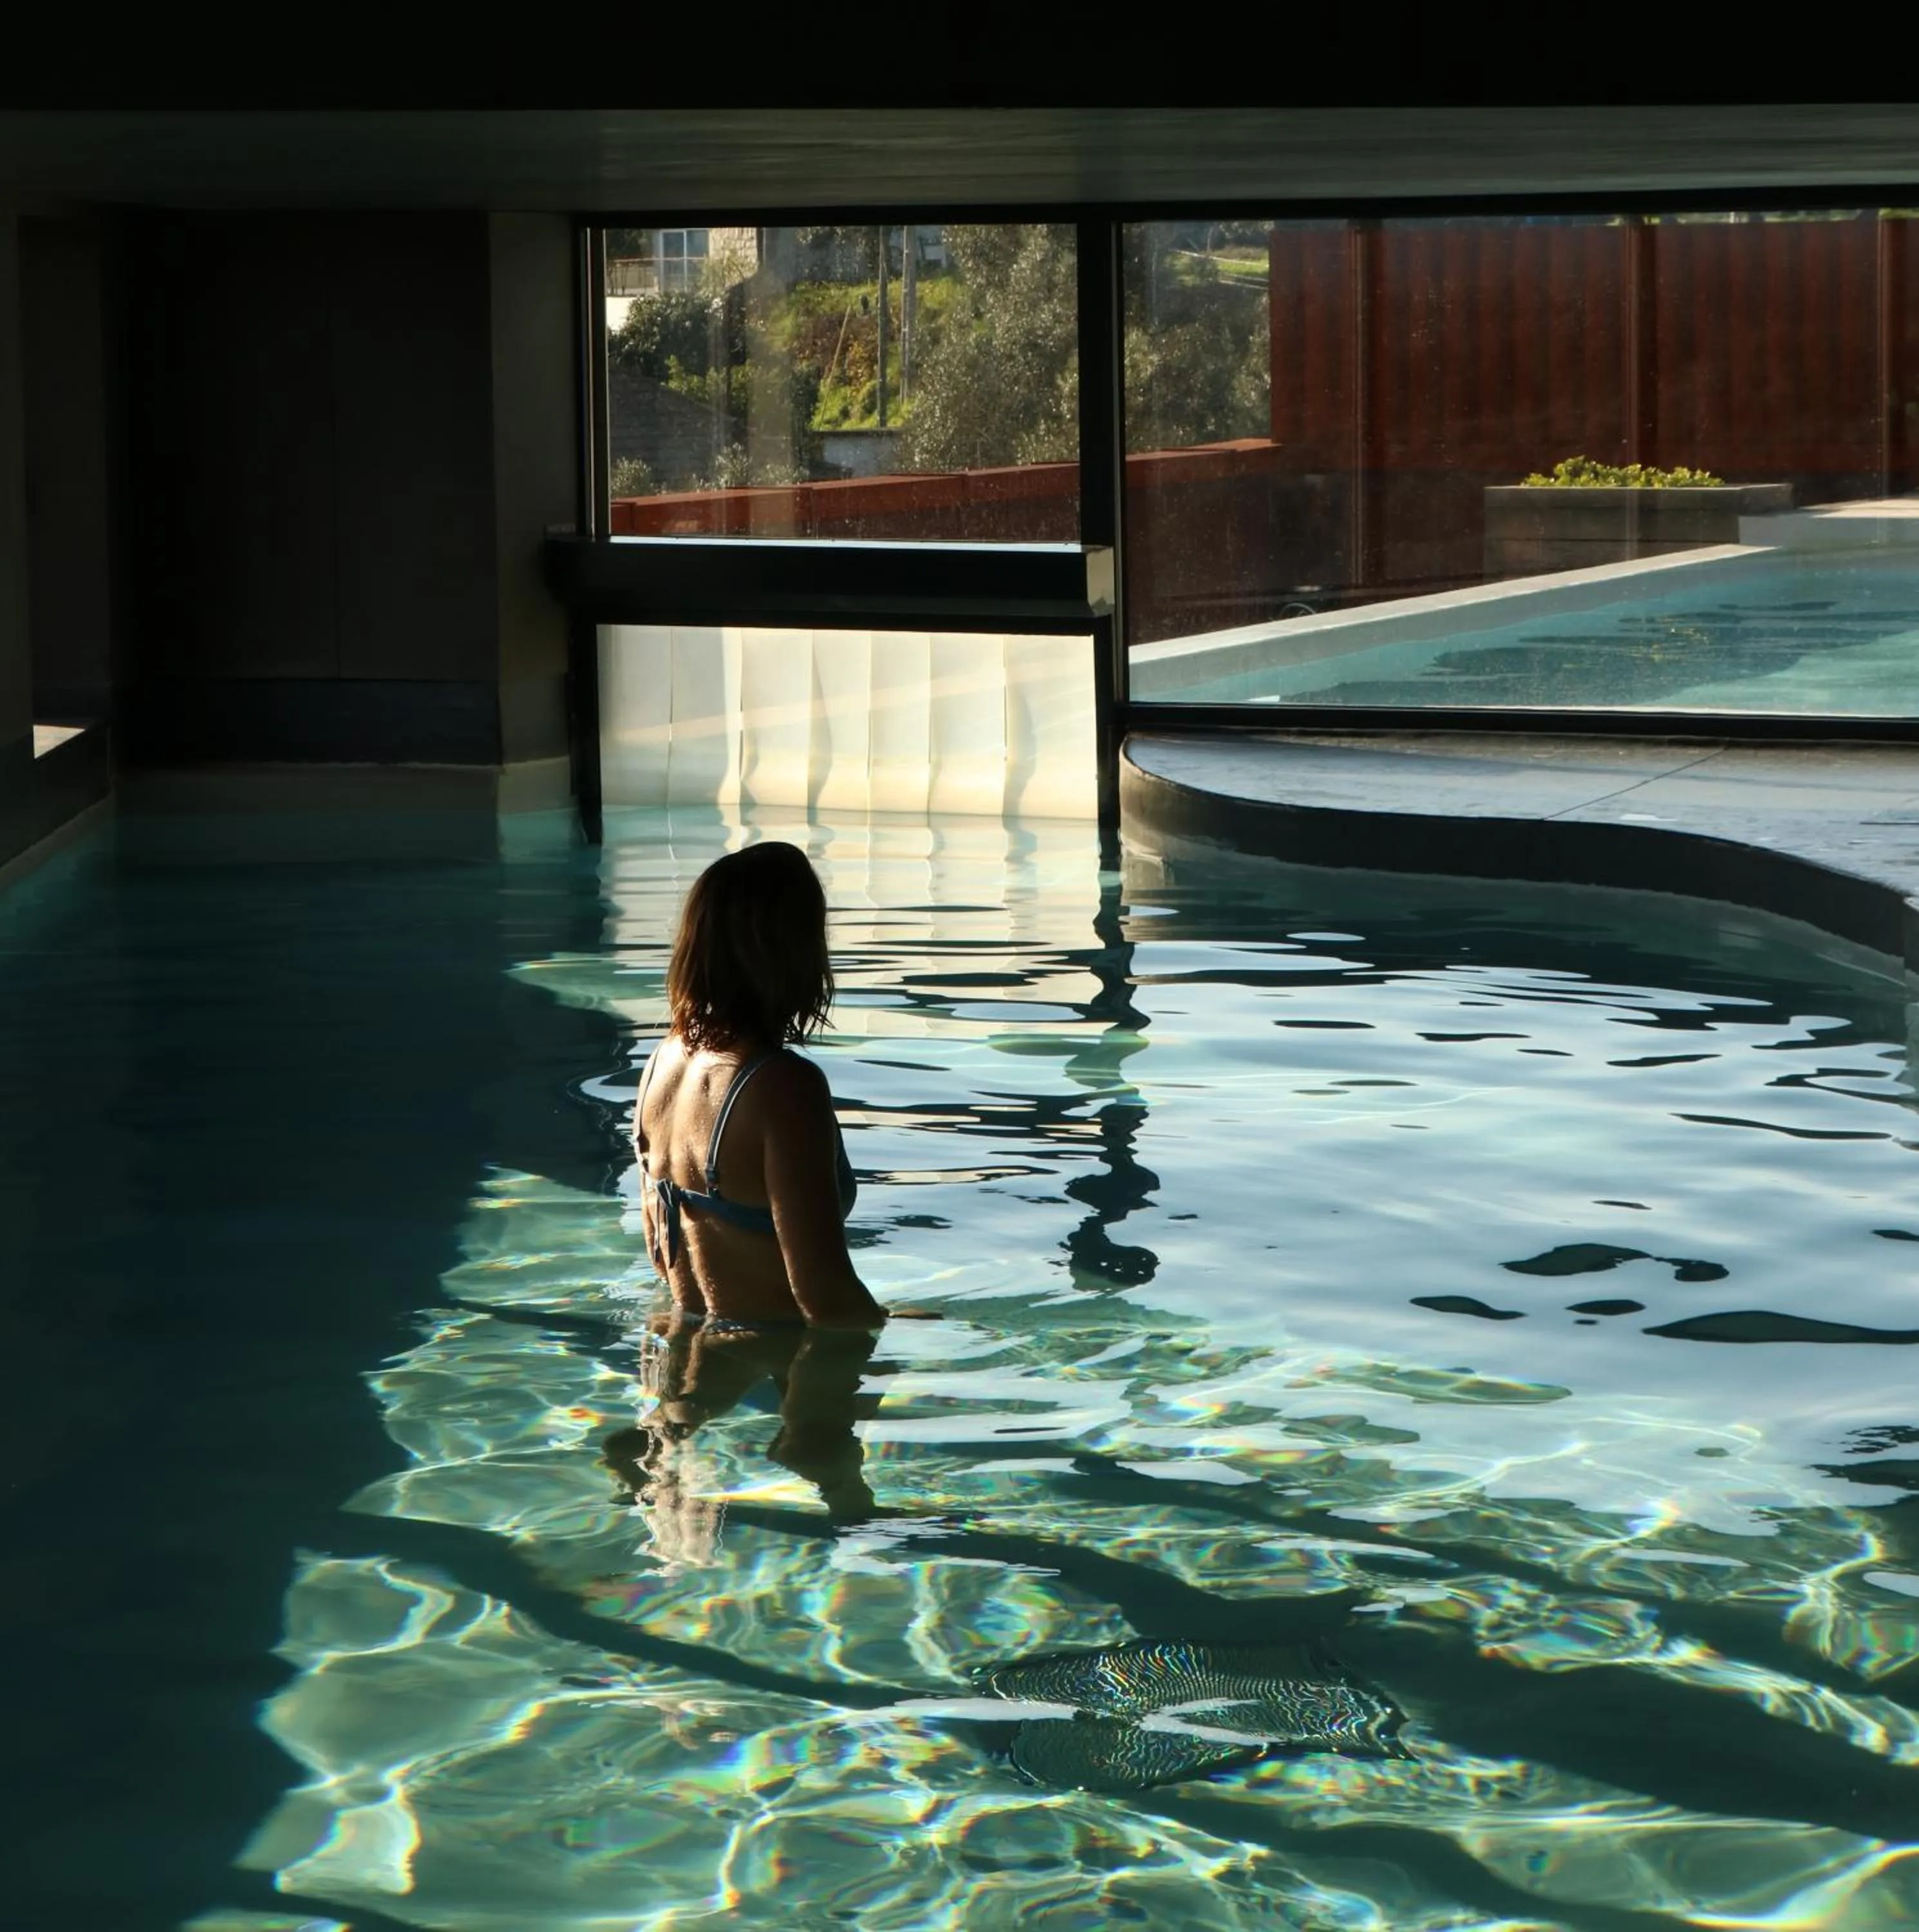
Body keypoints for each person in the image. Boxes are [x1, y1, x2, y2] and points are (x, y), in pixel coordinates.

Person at [632, 838, 887, 1329]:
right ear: (795, 952)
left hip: (683, 1370)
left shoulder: (659, 1064)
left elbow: (661, 1256)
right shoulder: (784, 1088)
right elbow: (825, 1296)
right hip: (774, 1372)